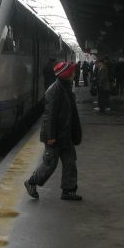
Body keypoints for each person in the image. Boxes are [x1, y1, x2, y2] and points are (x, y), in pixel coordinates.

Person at [24, 61, 82, 201]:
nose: (75, 73)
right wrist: (50, 136)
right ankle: (31, 182)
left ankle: (68, 191)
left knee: (70, 163)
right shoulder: (54, 91)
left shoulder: (66, 88)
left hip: (66, 134)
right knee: (50, 164)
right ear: (67, 74)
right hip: (55, 135)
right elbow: (49, 116)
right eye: (72, 71)